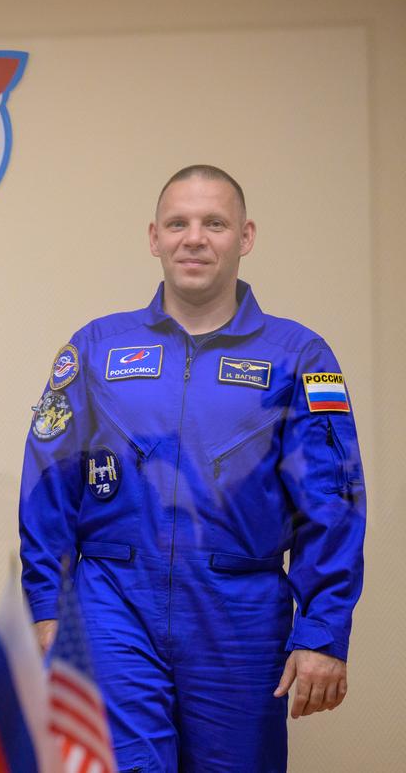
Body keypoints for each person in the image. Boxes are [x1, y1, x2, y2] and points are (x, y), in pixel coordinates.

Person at [19, 165, 366, 770]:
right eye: (177, 223)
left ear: (246, 236)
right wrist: (46, 607)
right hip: (113, 604)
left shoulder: (300, 356)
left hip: (240, 612)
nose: (194, 238)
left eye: (214, 223)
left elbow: (332, 505)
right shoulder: (96, 348)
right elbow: (49, 484)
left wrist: (323, 632)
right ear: (153, 237)